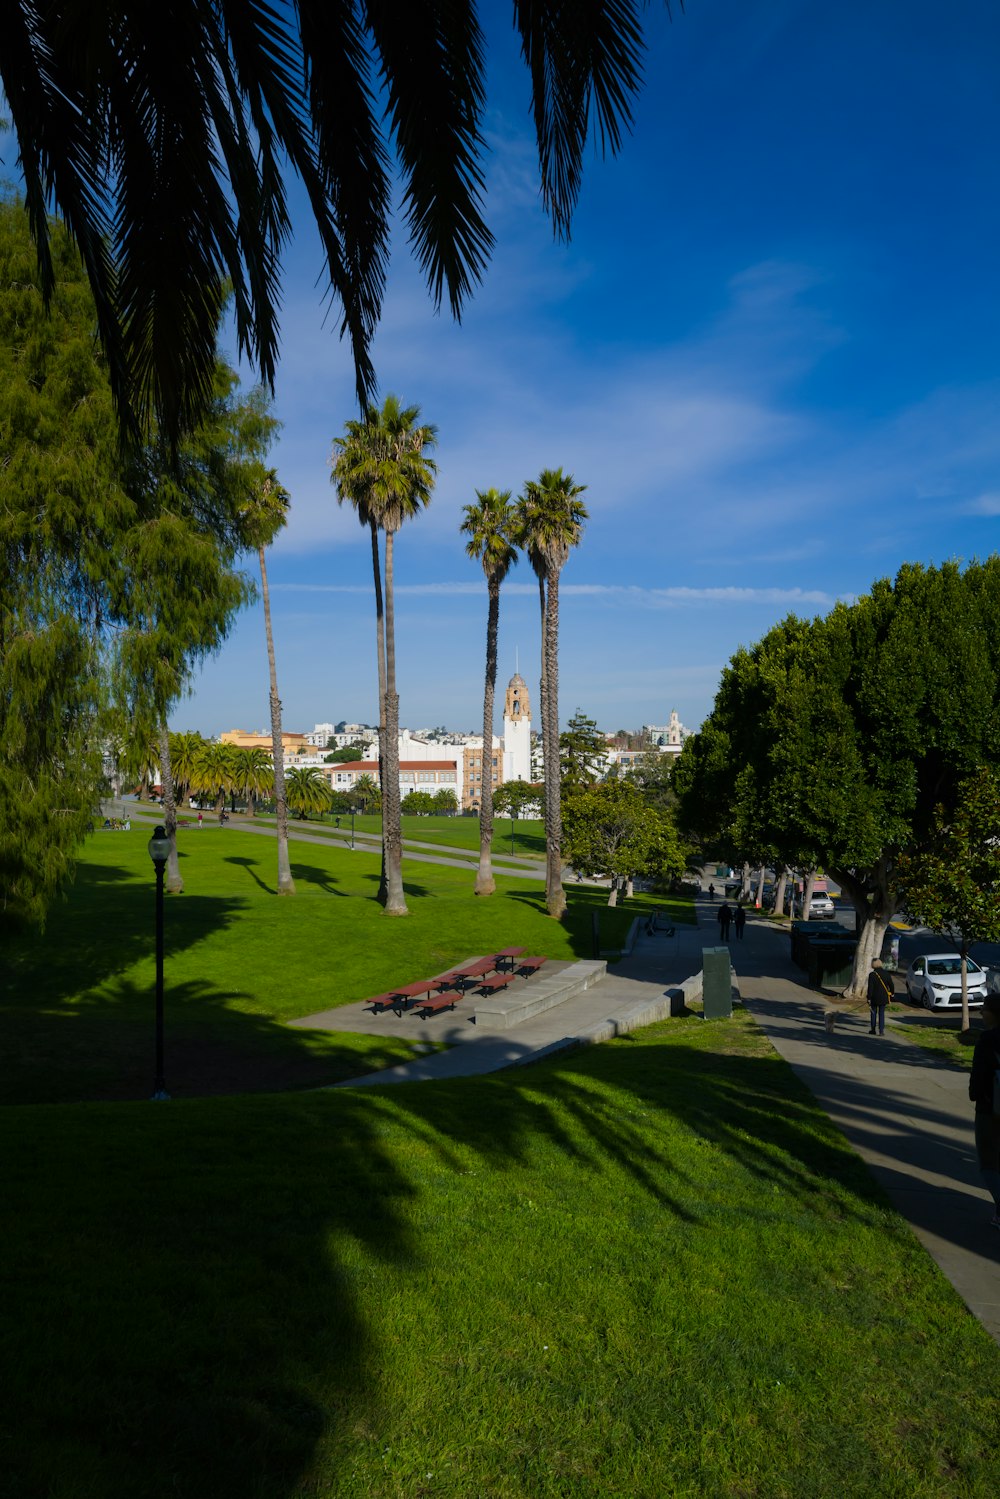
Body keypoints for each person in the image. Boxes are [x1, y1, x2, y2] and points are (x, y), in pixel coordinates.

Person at [969, 992, 1000, 1228]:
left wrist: (977, 1095)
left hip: (990, 1108)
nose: (980, 1011)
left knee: (989, 1162)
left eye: (985, 1008)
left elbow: (978, 1078)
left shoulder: (988, 1040)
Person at [867, 958, 893, 1035]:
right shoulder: (886, 973)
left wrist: (869, 997)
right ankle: (881, 1031)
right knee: (882, 1013)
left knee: (873, 1013)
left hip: (874, 997)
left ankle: (873, 1029)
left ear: (873, 965)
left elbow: (870, 988)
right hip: (883, 997)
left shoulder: (872, 975)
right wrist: (892, 993)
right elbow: (891, 985)